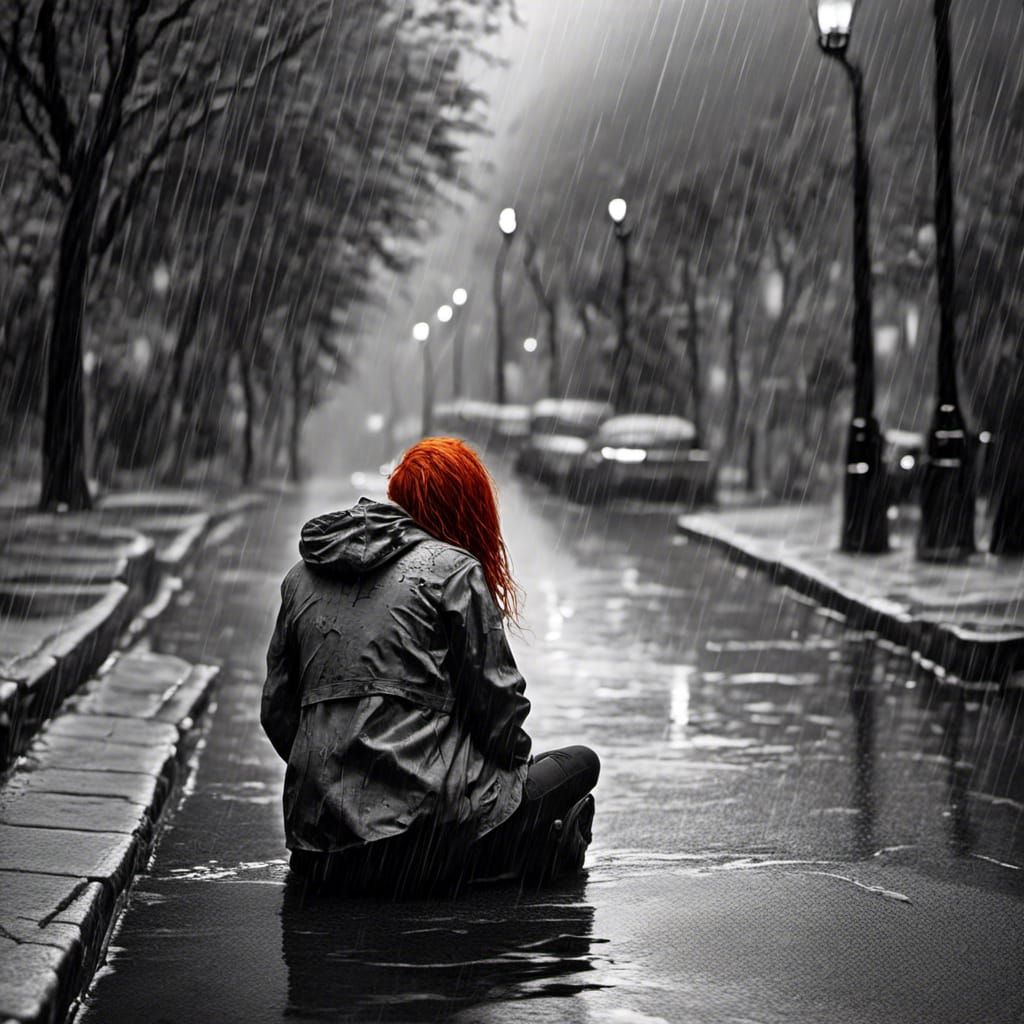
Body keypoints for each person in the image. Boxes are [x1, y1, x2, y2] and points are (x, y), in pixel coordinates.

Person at [261, 437, 599, 896]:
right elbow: (501, 723)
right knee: (579, 766)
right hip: (424, 847)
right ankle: (516, 858)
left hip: (318, 852)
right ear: (464, 509)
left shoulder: (300, 578)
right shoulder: (453, 570)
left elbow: (278, 715)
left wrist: (341, 780)